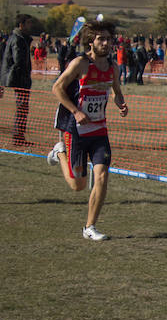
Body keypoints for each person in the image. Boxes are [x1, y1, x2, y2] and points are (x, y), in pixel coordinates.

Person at [47, 20, 128, 240]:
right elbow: (57, 88)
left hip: (100, 130)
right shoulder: (80, 64)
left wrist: (120, 103)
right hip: (76, 130)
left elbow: (116, 91)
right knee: (78, 185)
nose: (106, 43)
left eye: (109, 39)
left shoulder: (113, 67)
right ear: (91, 41)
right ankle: (59, 152)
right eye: (101, 39)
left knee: (101, 175)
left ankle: (89, 227)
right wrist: (75, 111)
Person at [1, 14, 36, 145]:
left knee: (22, 108)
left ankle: (18, 136)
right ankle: (18, 138)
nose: (30, 25)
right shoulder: (18, 39)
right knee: (22, 108)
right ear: (21, 25)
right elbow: (19, 61)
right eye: (28, 23)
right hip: (20, 79)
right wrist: (23, 77)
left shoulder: (20, 38)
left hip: (20, 78)